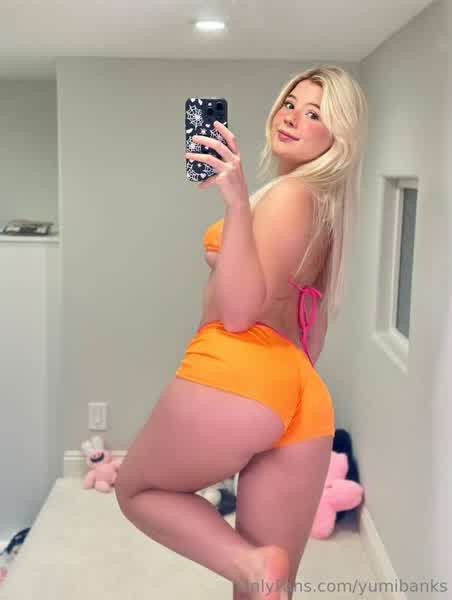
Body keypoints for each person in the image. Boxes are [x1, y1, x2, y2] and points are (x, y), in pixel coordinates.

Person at [114, 64, 368, 600]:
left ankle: (250, 561)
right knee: (265, 593)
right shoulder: (324, 206)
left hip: (240, 365)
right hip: (299, 391)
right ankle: (257, 567)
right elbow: (305, 325)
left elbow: (237, 314)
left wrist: (233, 202)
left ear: (338, 136)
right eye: (290, 104)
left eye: (315, 114)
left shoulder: (290, 194)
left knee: (138, 490)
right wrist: (227, 251)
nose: (292, 117)